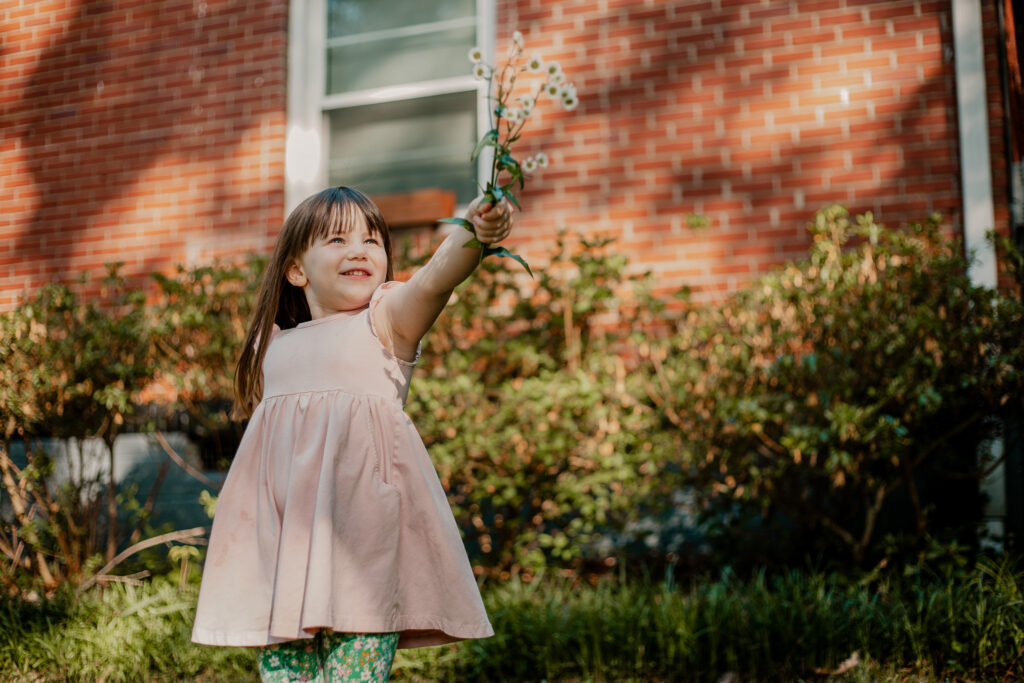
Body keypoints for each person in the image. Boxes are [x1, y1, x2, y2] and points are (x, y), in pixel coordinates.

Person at [191, 186, 513, 682]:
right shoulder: (272, 344)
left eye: (371, 240)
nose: (359, 250)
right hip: (287, 560)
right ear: (296, 270)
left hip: (364, 549)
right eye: (337, 240)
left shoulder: (386, 321)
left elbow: (433, 282)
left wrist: (472, 232)